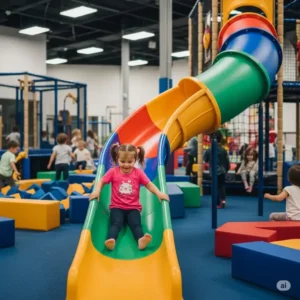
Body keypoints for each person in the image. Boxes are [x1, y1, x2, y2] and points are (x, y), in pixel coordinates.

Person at [89, 143, 169, 251]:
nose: (126, 165)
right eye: (122, 161)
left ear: (135, 160)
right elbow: (101, 181)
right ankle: (111, 240)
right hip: (117, 207)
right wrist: (97, 191)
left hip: (133, 208)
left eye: (130, 162)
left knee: (136, 225)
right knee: (115, 224)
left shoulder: (138, 173)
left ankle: (140, 241)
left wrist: (159, 193)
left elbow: (149, 185)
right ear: (117, 159)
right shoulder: (113, 172)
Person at [204, 130, 230, 208]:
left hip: (214, 171)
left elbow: (205, 159)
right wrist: (226, 170)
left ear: (211, 139)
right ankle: (223, 199)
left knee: (215, 187)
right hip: (222, 170)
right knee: (221, 185)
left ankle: (217, 202)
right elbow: (227, 162)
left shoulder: (209, 150)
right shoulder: (223, 150)